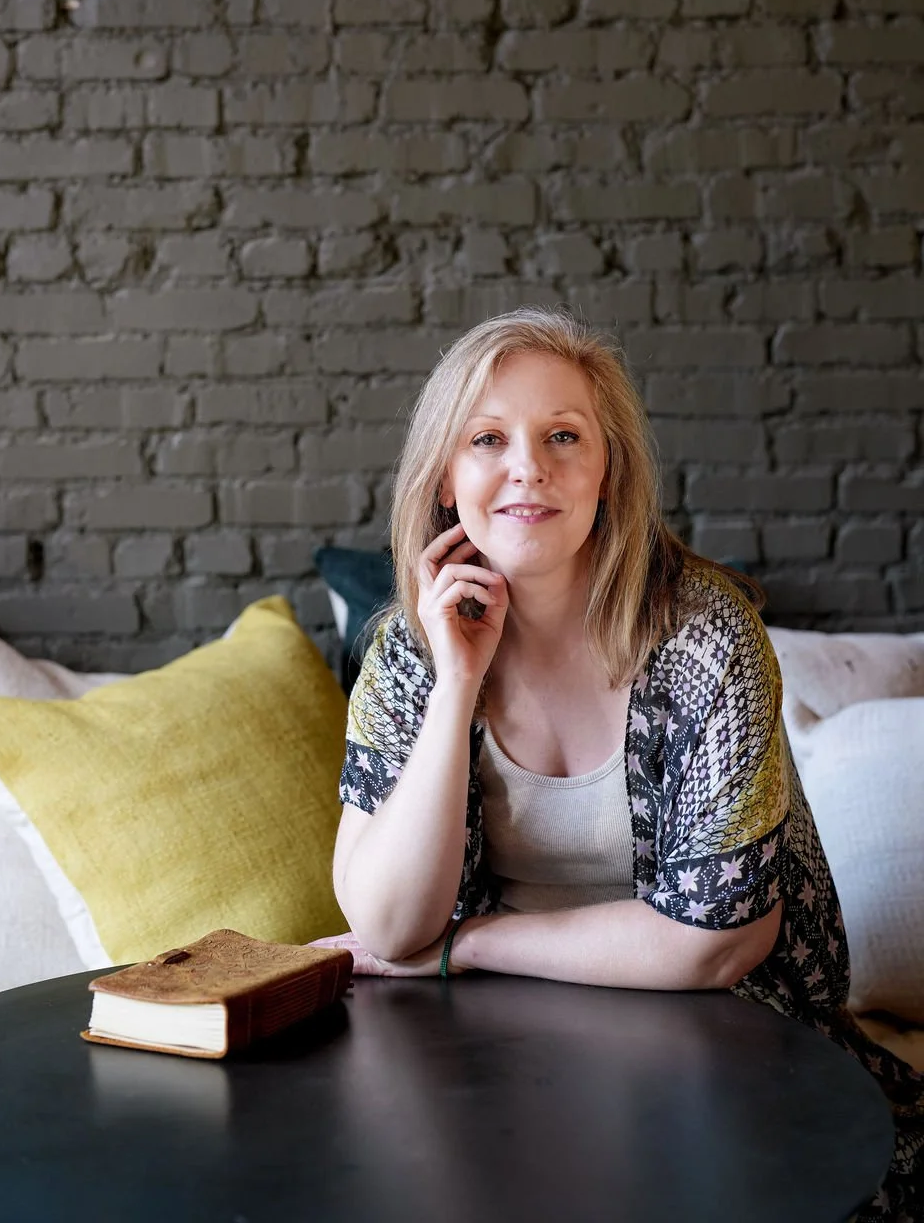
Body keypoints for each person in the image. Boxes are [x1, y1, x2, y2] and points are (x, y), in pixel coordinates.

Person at [313, 306, 922, 1222]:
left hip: (724, 1051)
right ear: (446, 475)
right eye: (488, 438)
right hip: (484, 1055)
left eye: (564, 435)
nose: (529, 467)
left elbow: (720, 941)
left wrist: (467, 946)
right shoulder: (408, 649)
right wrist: (456, 685)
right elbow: (391, 926)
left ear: (609, 470)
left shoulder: (709, 637)